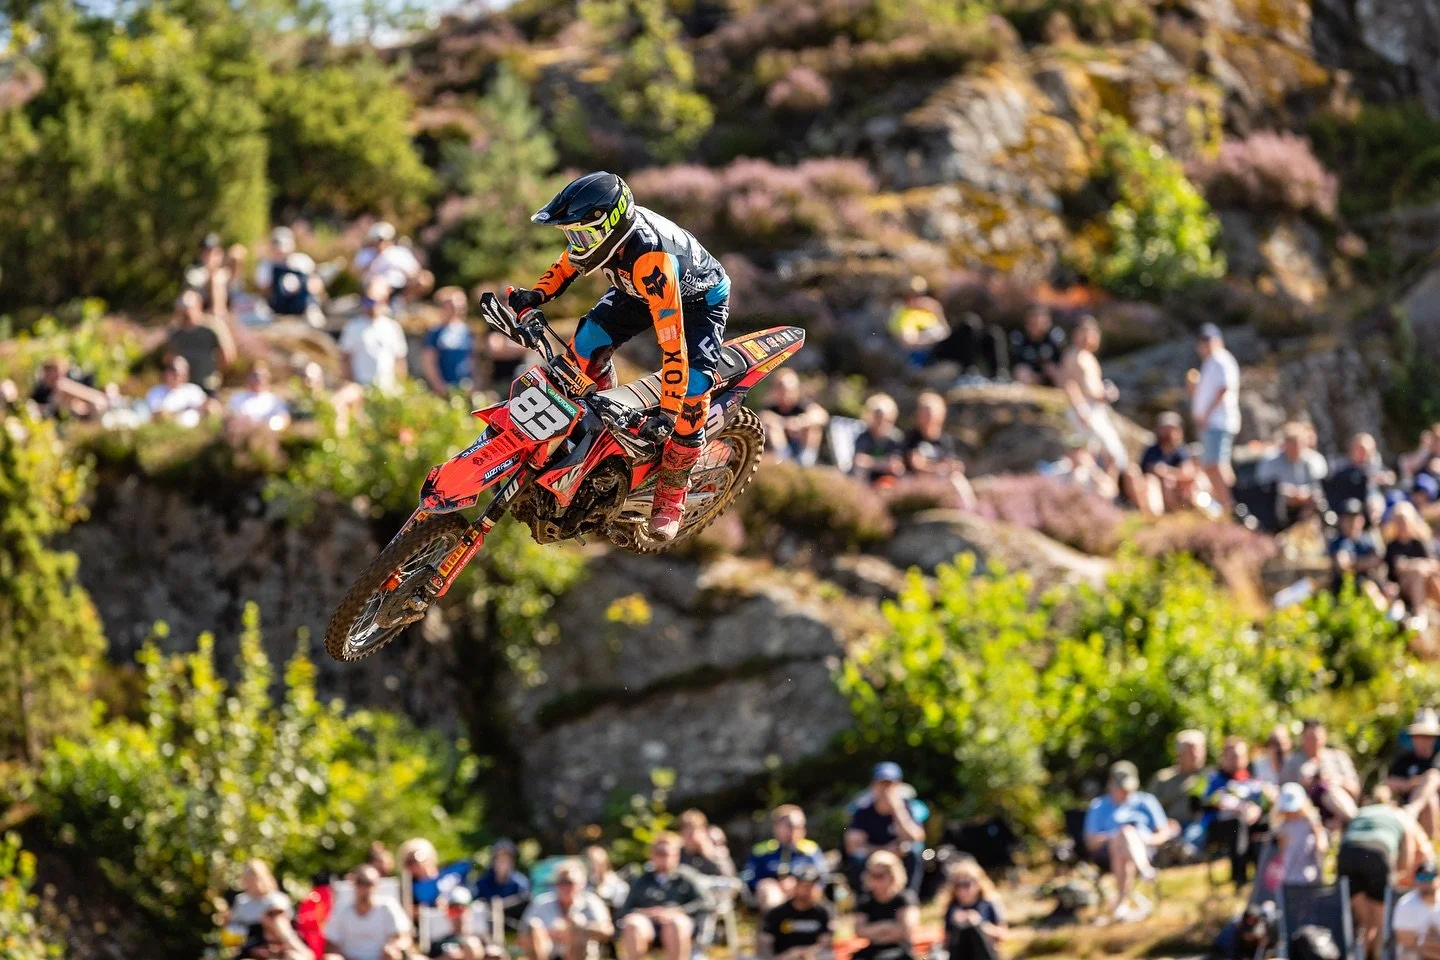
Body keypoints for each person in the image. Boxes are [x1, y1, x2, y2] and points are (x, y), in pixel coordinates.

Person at [507, 172, 731, 541]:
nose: (576, 244)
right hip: (636, 287)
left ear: (609, 228)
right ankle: (599, 428)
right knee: (586, 344)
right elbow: (567, 264)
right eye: (572, 235)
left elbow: (672, 347)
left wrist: (667, 413)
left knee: (693, 393)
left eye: (581, 235)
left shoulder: (651, 260)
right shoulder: (607, 238)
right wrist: (537, 295)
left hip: (697, 302)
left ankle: (672, 494)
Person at [1082, 760, 1177, 923]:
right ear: (1111, 784)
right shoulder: (1099, 806)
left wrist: (1146, 839)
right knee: (1123, 835)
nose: (1125, 792)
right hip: (1108, 853)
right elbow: (1090, 841)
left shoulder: (1146, 801)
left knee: (1127, 837)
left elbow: (1165, 832)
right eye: (1121, 788)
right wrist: (1115, 836)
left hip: (1146, 849)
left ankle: (1121, 904)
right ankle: (1145, 871)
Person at [1339, 799, 1436, 957]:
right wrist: (1398, 876)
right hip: (1378, 854)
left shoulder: (1364, 812)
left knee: (1364, 923)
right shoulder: (1401, 816)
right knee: (1380, 923)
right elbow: (1406, 860)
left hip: (1347, 853)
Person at [614, 833, 715, 960]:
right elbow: (625, 910)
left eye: (667, 853)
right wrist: (646, 913)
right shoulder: (643, 880)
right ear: (652, 855)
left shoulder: (686, 876)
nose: (664, 858)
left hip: (678, 923)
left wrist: (678, 910)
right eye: (659, 853)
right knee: (632, 924)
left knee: (675, 924)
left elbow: (706, 902)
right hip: (648, 924)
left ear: (676, 856)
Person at [844, 763, 927, 893]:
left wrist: (897, 810)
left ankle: (910, 896)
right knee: (857, 859)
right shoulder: (863, 811)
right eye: (882, 783)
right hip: (873, 854)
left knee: (915, 851)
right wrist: (884, 850)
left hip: (900, 854)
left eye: (890, 784)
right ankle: (863, 901)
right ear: (873, 785)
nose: (885, 789)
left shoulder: (907, 806)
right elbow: (852, 846)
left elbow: (917, 837)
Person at [1058, 316, 1127, 471]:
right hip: (1083, 408)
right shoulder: (1072, 355)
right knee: (1094, 452)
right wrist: (1080, 408)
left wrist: (1106, 393)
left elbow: (1092, 386)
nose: (1088, 337)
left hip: (1096, 408)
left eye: (1091, 333)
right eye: (1084, 332)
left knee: (1111, 452)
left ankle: (1109, 489)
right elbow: (1069, 384)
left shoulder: (1089, 357)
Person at [1188, 323, 1241, 508]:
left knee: (1214, 465)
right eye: (1202, 341)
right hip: (1213, 422)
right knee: (1217, 464)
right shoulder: (1211, 362)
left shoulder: (1220, 359)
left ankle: (1230, 505)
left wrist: (1206, 416)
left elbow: (1223, 388)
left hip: (1217, 421)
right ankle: (1233, 503)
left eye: (1208, 340)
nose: (1204, 345)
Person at [743, 805, 829, 915]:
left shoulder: (810, 849)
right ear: (776, 827)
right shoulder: (761, 851)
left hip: (804, 895)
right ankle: (773, 927)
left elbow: (823, 877)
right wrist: (774, 885)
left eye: (800, 826)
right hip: (774, 895)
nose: (795, 830)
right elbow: (749, 877)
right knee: (769, 891)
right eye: (790, 825)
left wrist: (798, 885)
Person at [519, 860, 613, 960]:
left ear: (582, 884)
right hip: (548, 954)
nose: (565, 887)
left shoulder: (591, 901)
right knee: (534, 925)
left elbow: (608, 931)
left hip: (583, 955)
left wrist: (576, 929)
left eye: (570, 882)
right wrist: (548, 933)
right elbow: (522, 935)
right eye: (561, 882)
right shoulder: (541, 902)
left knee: (577, 923)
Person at [902, 392, 976, 510]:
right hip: (916, 480)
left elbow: (952, 463)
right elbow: (916, 465)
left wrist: (948, 468)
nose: (928, 418)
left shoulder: (944, 439)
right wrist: (938, 469)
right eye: (925, 413)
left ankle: (970, 510)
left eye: (931, 414)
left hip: (940, 478)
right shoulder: (912, 438)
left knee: (957, 478)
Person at [322, 864, 412, 960]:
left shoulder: (388, 906)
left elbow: (404, 938)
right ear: (353, 884)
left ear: (377, 884)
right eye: (360, 882)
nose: (365, 888)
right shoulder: (341, 909)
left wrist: (393, 947)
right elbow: (331, 944)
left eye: (369, 883)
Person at [1281, 719, 1361, 825]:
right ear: (1302, 738)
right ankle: (1356, 821)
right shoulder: (1293, 763)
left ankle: (1354, 820)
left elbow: (1355, 789)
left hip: (1339, 806)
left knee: (1330, 790)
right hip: (1308, 814)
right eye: (1310, 738)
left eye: (1317, 737)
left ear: (1325, 736)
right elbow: (1284, 793)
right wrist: (1307, 784)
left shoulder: (1338, 757)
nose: (1314, 741)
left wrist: (1338, 780)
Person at [340, 279, 410, 392]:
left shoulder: (392, 327)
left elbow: (400, 360)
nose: (372, 305)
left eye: (376, 301)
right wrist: (351, 385)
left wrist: (400, 386)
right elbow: (345, 359)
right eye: (368, 301)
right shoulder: (353, 326)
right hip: (361, 387)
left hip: (387, 389)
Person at [1147, 729, 1211, 849]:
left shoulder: (1210, 777)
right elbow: (1151, 809)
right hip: (1170, 825)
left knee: (1195, 833)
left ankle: (1185, 852)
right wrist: (1165, 822)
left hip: (1199, 825)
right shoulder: (1163, 778)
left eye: (1199, 750)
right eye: (1191, 751)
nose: (1196, 755)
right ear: (1179, 754)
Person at [1256, 423, 1329, 526]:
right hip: (1278, 508)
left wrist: (1303, 496)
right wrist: (1289, 494)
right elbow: (1264, 488)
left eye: (1299, 444)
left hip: (1305, 508)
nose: (1296, 448)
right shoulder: (1270, 460)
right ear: (1284, 443)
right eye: (1292, 443)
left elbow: (1318, 487)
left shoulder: (1311, 461)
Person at [851, 850, 918, 960]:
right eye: (872, 875)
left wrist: (874, 931)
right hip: (872, 950)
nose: (875, 880)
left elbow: (905, 930)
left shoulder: (905, 898)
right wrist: (886, 926)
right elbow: (860, 931)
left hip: (900, 950)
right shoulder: (865, 901)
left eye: (880, 876)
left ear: (892, 875)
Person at [167, 288, 236, 394]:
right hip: (184, 387)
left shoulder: (212, 326)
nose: (186, 313)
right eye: (182, 309)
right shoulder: (176, 332)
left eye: (188, 308)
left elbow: (227, 355)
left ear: (198, 305)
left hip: (208, 384)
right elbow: (171, 356)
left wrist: (216, 373)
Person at [757, 863, 832, 960]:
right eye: (804, 886)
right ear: (795, 886)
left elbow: (825, 942)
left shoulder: (822, 912)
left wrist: (806, 952)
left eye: (811, 886)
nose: (808, 890)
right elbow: (764, 943)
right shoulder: (777, 913)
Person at [1135, 412, 1204, 517]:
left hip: (1177, 486)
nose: (1168, 432)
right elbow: (1146, 469)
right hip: (1155, 486)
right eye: (1165, 428)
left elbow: (1187, 472)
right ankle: (1156, 514)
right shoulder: (1152, 450)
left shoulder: (1181, 451)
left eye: (1172, 429)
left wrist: (1167, 471)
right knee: (1155, 482)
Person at [940, 860, 1009, 960]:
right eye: (957, 885)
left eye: (966, 884)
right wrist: (956, 925)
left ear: (978, 883)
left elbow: (1003, 936)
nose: (962, 890)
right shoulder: (952, 907)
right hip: (961, 955)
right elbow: (946, 945)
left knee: (974, 930)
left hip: (985, 954)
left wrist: (979, 923)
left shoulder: (989, 903)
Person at [759, 369, 829, 466]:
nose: (786, 393)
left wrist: (800, 422)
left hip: (801, 447)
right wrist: (785, 424)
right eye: (781, 389)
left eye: (789, 389)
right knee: (774, 427)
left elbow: (821, 415)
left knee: (813, 429)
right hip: (781, 449)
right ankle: (783, 459)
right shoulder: (771, 407)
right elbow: (764, 417)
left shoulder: (802, 405)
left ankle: (806, 462)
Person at [1330, 498, 1389, 610]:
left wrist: (1354, 563)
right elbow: (1342, 565)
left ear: (1361, 520)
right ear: (1342, 520)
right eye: (1348, 518)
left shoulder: (1368, 539)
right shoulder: (1338, 541)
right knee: (1369, 588)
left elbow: (1378, 561)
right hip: (1346, 586)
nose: (1352, 522)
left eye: (1355, 518)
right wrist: (1364, 563)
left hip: (1372, 581)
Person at [1385, 502, 1440, 621]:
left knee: (1428, 577)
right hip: (1403, 587)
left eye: (1403, 521)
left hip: (1426, 584)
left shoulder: (1419, 542)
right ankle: (1420, 613)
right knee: (1417, 574)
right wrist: (1416, 567)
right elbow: (1395, 570)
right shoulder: (1392, 546)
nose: (1401, 525)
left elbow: (1434, 564)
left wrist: (1413, 565)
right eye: (1398, 521)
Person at [1390, 709, 1440, 838]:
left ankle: (1413, 810)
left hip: (1428, 810)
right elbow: (1389, 782)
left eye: (1428, 736)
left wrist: (1419, 783)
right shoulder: (1405, 760)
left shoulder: (1437, 758)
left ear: (1434, 739)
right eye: (1419, 735)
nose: (1424, 740)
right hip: (1403, 807)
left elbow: (1435, 778)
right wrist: (1408, 784)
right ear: (1412, 738)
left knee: (1431, 798)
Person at [257, 227, 324, 322]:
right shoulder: (266, 266)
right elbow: (264, 291)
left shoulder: (302, 261)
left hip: (304, 308)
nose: (281, 253)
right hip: (277, 310)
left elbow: (318, 285)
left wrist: (309, 286)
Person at [422, 287, 476, 395]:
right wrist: (438, 384)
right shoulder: (435, 332)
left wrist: (475, 382)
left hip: (465, 386)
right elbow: (429, 361)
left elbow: (472, 359)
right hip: (444, 388)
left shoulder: (467, 331)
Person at [887, 276, 950, 368]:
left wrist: (938, 313)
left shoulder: (928, 311)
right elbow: (908, 344)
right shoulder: (903, 314)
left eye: (921, 294)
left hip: (939, 349)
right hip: (924, 355)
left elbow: (947, 332)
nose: (918, 298)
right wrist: (935, 341)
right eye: (913, 295)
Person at [1273, 782, 1328, 886]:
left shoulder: (1311, 822)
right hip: (1291, 878)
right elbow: (1283, 852)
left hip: (1311, 876)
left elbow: (1322, 844)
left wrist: (1319, 843)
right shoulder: (1283, 826)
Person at [398, 838, 472, 912]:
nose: (414, 864)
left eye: (417, 856)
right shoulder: (411, 888)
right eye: (409, 861)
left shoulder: (454, 870)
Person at [227, 860, 295, 940]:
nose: (255, 883)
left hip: (279, 940)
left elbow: (287, 923)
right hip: (252, 942)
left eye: (257, 878)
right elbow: (233, 926)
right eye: (250, 879)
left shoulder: (278, 899)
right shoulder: (241, 901)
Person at [360, 222, 426, 301]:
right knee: (377, 286)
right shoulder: (367, 254)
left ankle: (405, 302)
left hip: (401, 287)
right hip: (379, 286)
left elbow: (415, 271)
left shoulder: (400, 252)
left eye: (383, 240)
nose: (381, 243)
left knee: (425, 279)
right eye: (378, 240)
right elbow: (362, 274)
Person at [851, 394, 906, 487]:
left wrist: (871, 462)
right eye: (878, 417)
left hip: (888, 481)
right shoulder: (863, 436)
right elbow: (859, 461)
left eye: (885, 419)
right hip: (866, 480)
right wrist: (881, 464)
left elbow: (896, 465)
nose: (881, 422)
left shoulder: (896, 437)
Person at [28, 356, 108, 420]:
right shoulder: (40, 391)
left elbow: (96, 398)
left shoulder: (63, 386)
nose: (57, 377)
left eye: (59, 373)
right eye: (53, 373)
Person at [1330, 432, 1392, 510]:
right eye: (1361, 449)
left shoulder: (1374, 464)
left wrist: (1384, 478)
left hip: (1369, 498)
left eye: (1368, 450)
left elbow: (1390, 477)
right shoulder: (1340, 464)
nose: (1364, 453)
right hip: (1346, 497)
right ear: (1352, 448)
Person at [473, 839, 531, 922]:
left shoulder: (520, 881)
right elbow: (477, 900)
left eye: (506, 859)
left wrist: (503, 905)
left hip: (513, 921)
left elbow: (525, 899)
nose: (503, 862)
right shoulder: (483, 881)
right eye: (499, 858)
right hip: (488, 920)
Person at [1393, 859, 1440, 960]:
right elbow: (1405, 940)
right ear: (1416, 881)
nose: (1426, 881)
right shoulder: (1405, 903)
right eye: (1421, 877)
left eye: (1430, 876)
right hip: (1415, 953)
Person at [1009, 305, 1066, 387]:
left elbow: (1063, 359)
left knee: (1053, 369)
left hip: (1049, 374)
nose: (1036, 325)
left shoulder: (1055, 336)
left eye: (1040, 322)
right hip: (1029, 374)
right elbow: (1015, 362)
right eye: (1033, 321)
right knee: (1021, 371)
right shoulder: (1019, 337)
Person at [145, 356, 211, 426]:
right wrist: (182, 411)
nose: (178, 377)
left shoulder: (193, 390)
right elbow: (158, 415)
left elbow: (208, 407)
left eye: (183, 374)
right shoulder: (156, 392)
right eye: (175, 372)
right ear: (166, 373)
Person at [428, 886, 488, 960]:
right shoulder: (438, 944)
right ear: (447, 914)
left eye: (462, 910)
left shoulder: (483, 939)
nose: (459, 916)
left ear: (470, 911)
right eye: (453, 911)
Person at [226, 364, 291, 431]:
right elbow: (230, 416)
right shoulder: (237, 397)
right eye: (255, 376)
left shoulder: (274, 400)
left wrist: (273, 426)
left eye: (262, 376)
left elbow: (284, 418)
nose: (258, 379)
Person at [242, 903, 315, 960]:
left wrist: (285, 933)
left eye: (280, 914)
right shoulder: (255, 937)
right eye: (271, 914)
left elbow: (309, 956)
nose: (275, 919)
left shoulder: (298, 935)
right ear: (263, 918)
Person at [678, 809, 733, 877]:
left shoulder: (716, 852)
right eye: (688, 834)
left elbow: (730, 876)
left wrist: (709, 855)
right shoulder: (676, 855)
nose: (693, 838)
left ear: (704, 831)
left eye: (693, 833)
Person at [583, 846, 629, 913]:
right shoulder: (582, 883)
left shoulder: (617, 884)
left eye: (597, 863)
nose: (593, 867)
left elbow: (620, 906)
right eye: (590, 862)